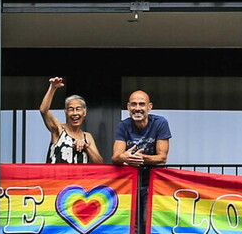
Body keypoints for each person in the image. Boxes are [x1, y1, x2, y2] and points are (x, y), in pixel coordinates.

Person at [112, 90, 169, 234]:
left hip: (152, 183)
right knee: (132, 224)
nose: (137, 108)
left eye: (141, 104)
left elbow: (162, 157)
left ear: (149, 107)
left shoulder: (160, 123)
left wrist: (140, 158)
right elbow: (116, 157)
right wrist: (125, 157)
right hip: (130, 184)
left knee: (148, 222)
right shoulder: (123, 125)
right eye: (134, 104)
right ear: (128, 107)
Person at [39, 77, 103, 164]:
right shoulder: (59, 129)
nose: (75, 113)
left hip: (79, 173)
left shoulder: (87, 137)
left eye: (78, 109)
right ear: (66, 112)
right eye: (71, 109)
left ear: (84, 112)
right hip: (57, 173)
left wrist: (86, 147)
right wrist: (52, 88)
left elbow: (100, 163)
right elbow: (44, 111)